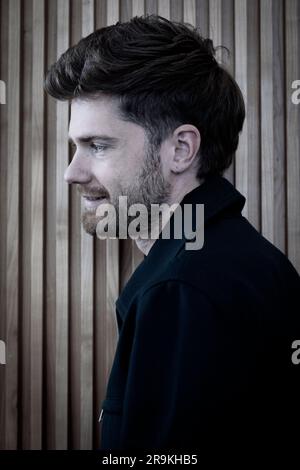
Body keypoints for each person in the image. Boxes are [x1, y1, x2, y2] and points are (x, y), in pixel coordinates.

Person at [45, 15, 300, 457]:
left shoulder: (181, 289)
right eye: (75, 146)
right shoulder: (237, 258)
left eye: (98, 145)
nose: (72, 172)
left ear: (181, 149)